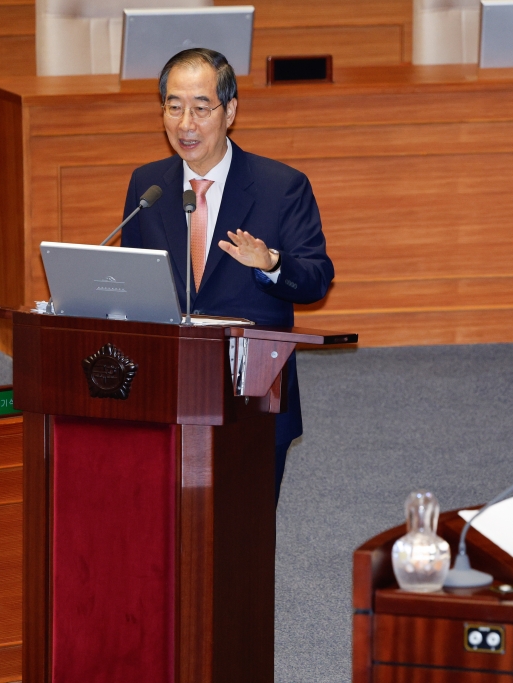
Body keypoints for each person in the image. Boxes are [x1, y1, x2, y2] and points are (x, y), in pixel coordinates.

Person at [120, 48, 334, 504]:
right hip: (166, 386)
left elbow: (317, 278)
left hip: (251, 391)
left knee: (242, 539)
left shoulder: (281, 187)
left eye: (201, 107)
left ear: (230, 110)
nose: (186, 124)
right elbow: (133, 279)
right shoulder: (148, 185)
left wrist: (273, 266)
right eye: (174, 107)